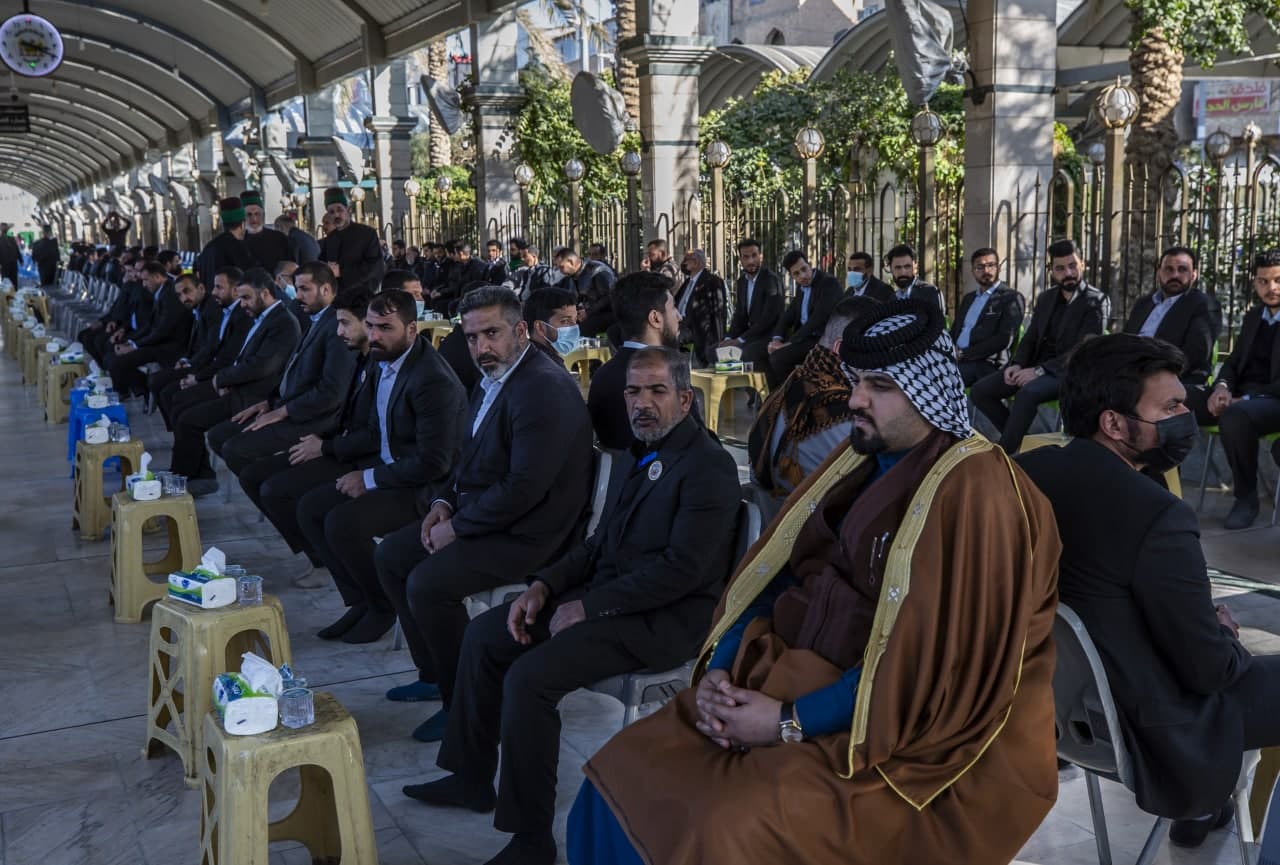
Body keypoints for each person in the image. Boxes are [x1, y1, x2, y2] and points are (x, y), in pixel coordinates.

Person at [566, 298, 1061, 865]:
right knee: (615, 779)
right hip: (786, 674)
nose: (855, 399)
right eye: (857, 381)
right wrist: (721, 671)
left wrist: (785, 722)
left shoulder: (978, 493)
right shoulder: (859, 457)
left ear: (928, 391)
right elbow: (779, 578)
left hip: (888, 737)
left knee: (716, 832)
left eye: (879, 386)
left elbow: (933, 674)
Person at [403, 346, 741, 865]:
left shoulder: (708, 467)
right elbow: (597, 543)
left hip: (665, 619)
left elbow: (682, 571)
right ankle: (470, 776)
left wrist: (589, 607)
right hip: (613, 598)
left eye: (657, 391)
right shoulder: (639, 453)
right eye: (633, 392)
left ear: (685, 399)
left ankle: (531, 840)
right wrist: (544, 586)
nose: (642, 403)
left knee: (529, 678)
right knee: (487, 634)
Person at [1018, 332, 1280, 845]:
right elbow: (1209, 670)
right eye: (1171, 407)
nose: (1187, 416)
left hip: (1065, 711)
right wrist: (1225, 634)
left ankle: (1206, 813)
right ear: (1114, 423)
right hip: (1157, 728)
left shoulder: (1028, 474)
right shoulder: (1157, 516)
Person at [374, 286, 593, 742]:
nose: (481, 347)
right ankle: (436, 675)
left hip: (532, 534)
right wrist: (442, 504)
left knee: (427, 584)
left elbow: (523, 488)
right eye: (472, 337)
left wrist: (457, 527)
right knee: (392, 556)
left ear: (520, 330)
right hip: (488, 517)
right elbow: (467, 458)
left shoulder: (542, 388)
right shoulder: (494, 377)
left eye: (492, 333)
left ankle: (465, 704)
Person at [296, 288, 469, 642]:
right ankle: (361, 600)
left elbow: (434, 463)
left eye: (385, 327)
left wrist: (370, 478)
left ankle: (382, 606)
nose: (374, 336)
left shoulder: (431, 379)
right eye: (371, 326)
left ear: (411, 329)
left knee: (343, 524)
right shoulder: (382, 361)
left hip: (426, 489)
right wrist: (337, 453)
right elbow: (377, 429)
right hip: (393, 470)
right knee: (311, 508)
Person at [236, 289, 375, 589]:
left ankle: (326, 564)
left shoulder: (375, 363)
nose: (339, 332)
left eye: (345, 324)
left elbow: (358, 421)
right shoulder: (358, 355)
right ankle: (320, 556)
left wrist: (323, 445)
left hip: (347, 449)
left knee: (285, 494)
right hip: (332, 438)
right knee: (253, 475)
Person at [205, 262, 357, 476]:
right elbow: (295, 372)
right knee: (219, 435)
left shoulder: (337, 326)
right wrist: (269, 403)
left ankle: (270, 483)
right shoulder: (316, 318)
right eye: (297, 289)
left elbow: (331, 392)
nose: (297, 296)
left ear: (325, 289)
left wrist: (283, 411)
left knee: (237, 451)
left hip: (312, 418)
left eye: (304, 289)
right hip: (287, 405)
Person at [170, 267, 301, 494]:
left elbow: (262, 366)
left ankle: (192, 478)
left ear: (265, 293)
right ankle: (192, 475)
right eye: (240, 298)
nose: (242, 304)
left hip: (254, 398)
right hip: (239, 389)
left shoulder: (284, 323)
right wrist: (227, 381)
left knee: (189, 420)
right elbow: (245, 359)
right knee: (182, 408)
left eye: (246, 298)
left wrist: (221, 380)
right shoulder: (264, 317)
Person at [970, 239, 1107, 453]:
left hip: (1069, 372)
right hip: (1035, 367)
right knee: (980, 391)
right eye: (1060, 268)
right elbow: (1031, 337)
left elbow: (1083, 350)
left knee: (1028, 393)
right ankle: (1021, 443)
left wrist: (1039, 371)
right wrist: (1016, 364)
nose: (1068, 273)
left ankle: (1006, 452)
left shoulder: (1096, 301)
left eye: (1072, 266)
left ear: (1082, 264)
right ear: (1051, 270)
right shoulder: (1046, 298)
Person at [746, 296, 871, 520]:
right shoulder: (848, 413)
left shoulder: (787, 387)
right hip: (818, 532)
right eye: (876, 348)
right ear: (841, 348)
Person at [1185, 248, 1280, 529]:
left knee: (1236, 416)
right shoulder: (1253, 317)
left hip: (1272, 399)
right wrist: (1222, 388)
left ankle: (1246, 498)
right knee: (1178, 398)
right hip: (1240, 399)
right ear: (1254, 283)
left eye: (1278, 280)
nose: (1271, 288)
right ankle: (1156, 482)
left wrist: (1245, 399)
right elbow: (1233, 363)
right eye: (1263, 281)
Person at [587, 271, 681, 450]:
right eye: (673, 308)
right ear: (655, 318)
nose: (679, 316)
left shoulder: (602, 375)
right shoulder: (665, 377)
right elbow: (695, 445)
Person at [153, 267, 252, 430]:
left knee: (176, 399)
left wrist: (197, 377)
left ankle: (182, 436)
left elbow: (223, 355)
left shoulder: (236, 315)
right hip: (211, 368)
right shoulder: (225, 311)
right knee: (171, 394)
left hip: (223, 377)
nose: (213, 292)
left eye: (219, 287)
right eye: (179, 295)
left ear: (235, 290)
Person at [1123, 245, 1216, 386]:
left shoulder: (1203, 305)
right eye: (1169, 269)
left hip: (1170, 379)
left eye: (1182, 269)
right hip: (1129, 375)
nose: (1175, 275)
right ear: (1159, 272)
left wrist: (1148, 372)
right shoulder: (1143, 304)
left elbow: (1194, 355)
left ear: (1194, 275)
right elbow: (1125, 341)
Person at [106, 261, 192, 398]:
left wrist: (134, 346)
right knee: (114, 350)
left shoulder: (170, 294)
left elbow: (162, 330)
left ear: (157, 276)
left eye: (146, 280)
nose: (144, 285)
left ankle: (141, 392)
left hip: (170, 345)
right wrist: (130, 342)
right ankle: (137, 390)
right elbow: (150, 325)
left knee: (119, 362)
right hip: (159, 341)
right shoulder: (161, 292)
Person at [765, 249, 843, 389]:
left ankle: (794, 395)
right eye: (796, 274)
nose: (802, 276)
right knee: (765, 351)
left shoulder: (829, 283)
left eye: (804, 269)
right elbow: (788, 315)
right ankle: (776, 396)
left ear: (809, 264)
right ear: (792, 276)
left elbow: (817, 319)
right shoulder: (801, 288)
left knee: (779, 358)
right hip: (805, 338)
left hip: (823, 339)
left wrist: (790, 343)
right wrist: (776, 339)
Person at [950, 247, 1025, 387]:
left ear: (999, 268)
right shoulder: (968, 299)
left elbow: (1003, 339)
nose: (986, 271)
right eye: (980, 267)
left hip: (986, 364)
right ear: (973, 271)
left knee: (940, 380)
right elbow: (954, 331)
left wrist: (964, 354)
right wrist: (949, 351)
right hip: (957, 359)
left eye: (991, 265)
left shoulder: (1011, 298)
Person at [721, 238, 784, 367]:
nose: (750, 261)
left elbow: (768, 319)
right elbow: (739, 315)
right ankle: (731, 378)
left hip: (767, 336)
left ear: (761, 256)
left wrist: (740, 340)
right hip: (749, 336)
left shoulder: (771, 280)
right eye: (746, 257)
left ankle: (748, 379)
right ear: (741, 259)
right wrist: (729, 338)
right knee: (714, 350)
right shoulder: (742, 282)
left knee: (745, 352)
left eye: (754, 255)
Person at [319, 187, 385, 293]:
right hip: (337, 296)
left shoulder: (367, 234)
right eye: (331, 212)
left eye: (339, 210)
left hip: (363, 296)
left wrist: (342, 272)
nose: (336, 215)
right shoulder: (330, 239)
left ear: (348, 209)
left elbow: (375, 267)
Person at [673, 249, 727, 366]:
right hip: (680, 325)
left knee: (671, 339)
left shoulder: (713, 281)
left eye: (686, 260)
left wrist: (718, 340)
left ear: (696, 262)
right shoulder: (687, 282)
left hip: (696, 330)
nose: (683, 263)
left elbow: (718, 313)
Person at [196, 197, 255, 297]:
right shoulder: (239, 248)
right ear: (242, 224)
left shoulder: (208, 247)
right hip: (230, 302)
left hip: (210, 302)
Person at [562, 249, 616, 336]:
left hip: (608, 313)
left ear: (571, 262)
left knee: (581, 329)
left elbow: (609, 297)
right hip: (590, 312)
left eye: (562, 267)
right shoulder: (572, 276)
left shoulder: (598, 271)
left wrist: (588, 312)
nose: (560, 271)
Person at [523, 286, 580, 367]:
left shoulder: (537, 357)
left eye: (575, 320)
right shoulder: (542, 366)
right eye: (565, 321)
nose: (575, 327)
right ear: (540, 327)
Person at [239, 190, 292, 273]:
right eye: (249, 215)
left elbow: (288, 266)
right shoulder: (237, 241)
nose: (254, 219)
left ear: (263, 215)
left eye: (257, 214)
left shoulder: (279, 238)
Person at [884, 243, 945, 313]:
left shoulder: (931, 293)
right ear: (891, 269)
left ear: (915, 267)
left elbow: (938, 319)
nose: (903, 272)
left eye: (907, 267)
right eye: (898, 267)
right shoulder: (890, 299)